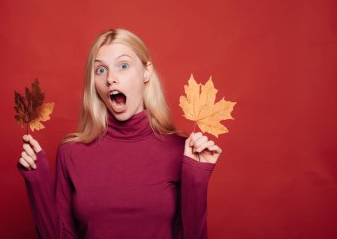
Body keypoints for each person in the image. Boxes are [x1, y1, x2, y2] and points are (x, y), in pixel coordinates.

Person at [17, 28, 222, 239]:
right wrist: (37, 183)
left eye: (123, 66)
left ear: (146, 72)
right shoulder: (71, 152)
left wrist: (196, 178)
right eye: (100, 70)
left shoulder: (182, 150)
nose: (110, 79)